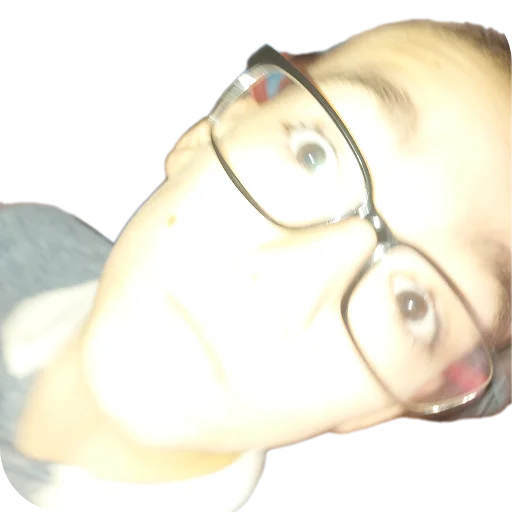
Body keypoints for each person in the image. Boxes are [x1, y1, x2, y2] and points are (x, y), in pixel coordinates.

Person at [1, 17, 511, 511]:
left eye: (412, 304)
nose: (279, 287)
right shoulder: (20, 234)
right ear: (206, 134)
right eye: (314, 155)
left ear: (384, 406)